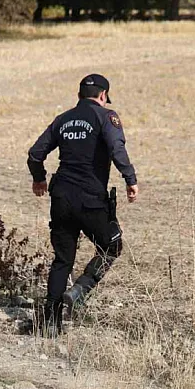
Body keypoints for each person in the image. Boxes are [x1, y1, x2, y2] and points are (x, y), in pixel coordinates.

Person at [27, 73, 139, 337]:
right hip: (91, 199)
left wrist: (39, 179)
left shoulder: (63, 119)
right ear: (103, 96)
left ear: (79, 95)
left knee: (62, 259)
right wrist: (130, 178)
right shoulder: (106, 117)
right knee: (112, 246)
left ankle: (50, 325)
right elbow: (116, 148)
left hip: (62, 197)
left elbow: (35, 154)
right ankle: (80, 290)